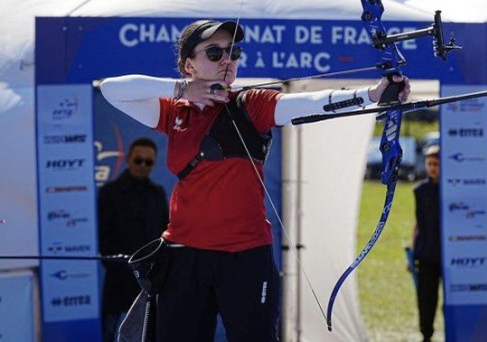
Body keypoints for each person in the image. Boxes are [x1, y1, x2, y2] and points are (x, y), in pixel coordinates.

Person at [99, 19, 410, 342]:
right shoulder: (175, 112)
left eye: (233, 53)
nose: (227, 61)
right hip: (183, 255)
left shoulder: (251, 104)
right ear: (188, 64)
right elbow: (112, 89)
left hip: (245, 257)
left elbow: (309, 105)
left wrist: (372, 94)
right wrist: (182, 89)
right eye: (215, 52)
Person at [97, 137, 169, 342]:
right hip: (118, 279)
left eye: (149, 162)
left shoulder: (158, 193)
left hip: (150, 283)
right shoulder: (109, 193)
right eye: (138, 160)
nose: (143, 166)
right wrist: (122, 267)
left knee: (150, 335)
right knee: (111, 333)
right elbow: (104, 238)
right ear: (128, 159)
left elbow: (165, 233)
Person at [411, 144, 442, 342]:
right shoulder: (420, 190)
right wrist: (413, 252)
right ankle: (426, 335)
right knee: (426, 299)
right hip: (427, 253)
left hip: (448, 253)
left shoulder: (451, 188)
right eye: (429, 163)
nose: (432, 168)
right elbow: (418, 222)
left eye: (436, 164)